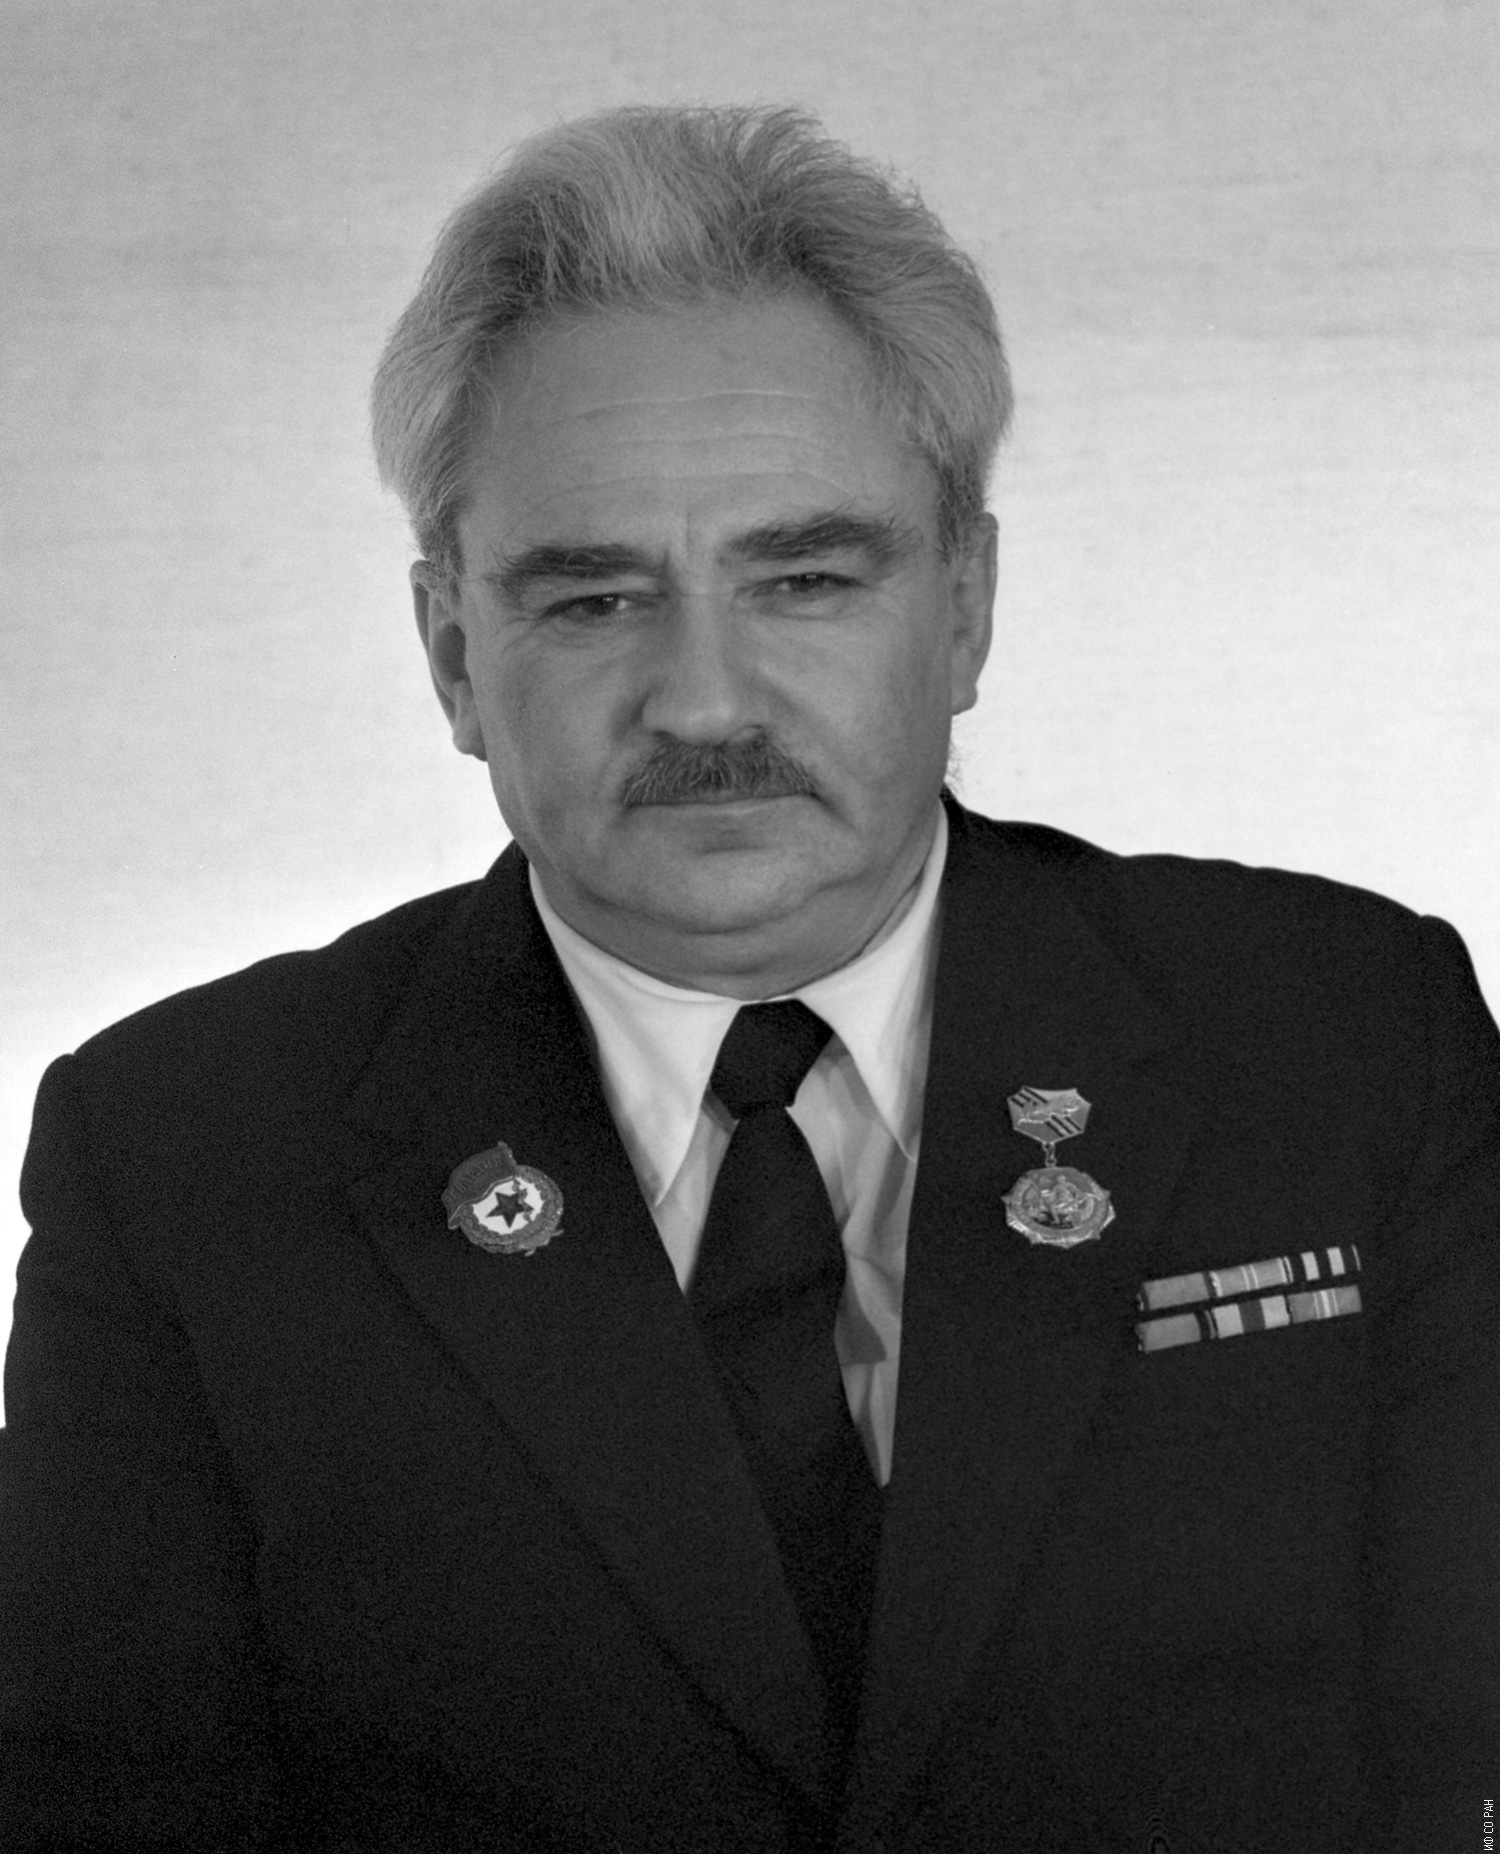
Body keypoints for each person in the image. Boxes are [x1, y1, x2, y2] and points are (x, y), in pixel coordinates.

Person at [2, 104, 1495, 1854]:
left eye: (804, 579)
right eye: (591, 601)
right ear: (452, 653)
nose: (705, 700)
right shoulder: (181, 1156)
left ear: (965, 606)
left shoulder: (1347, 1039)